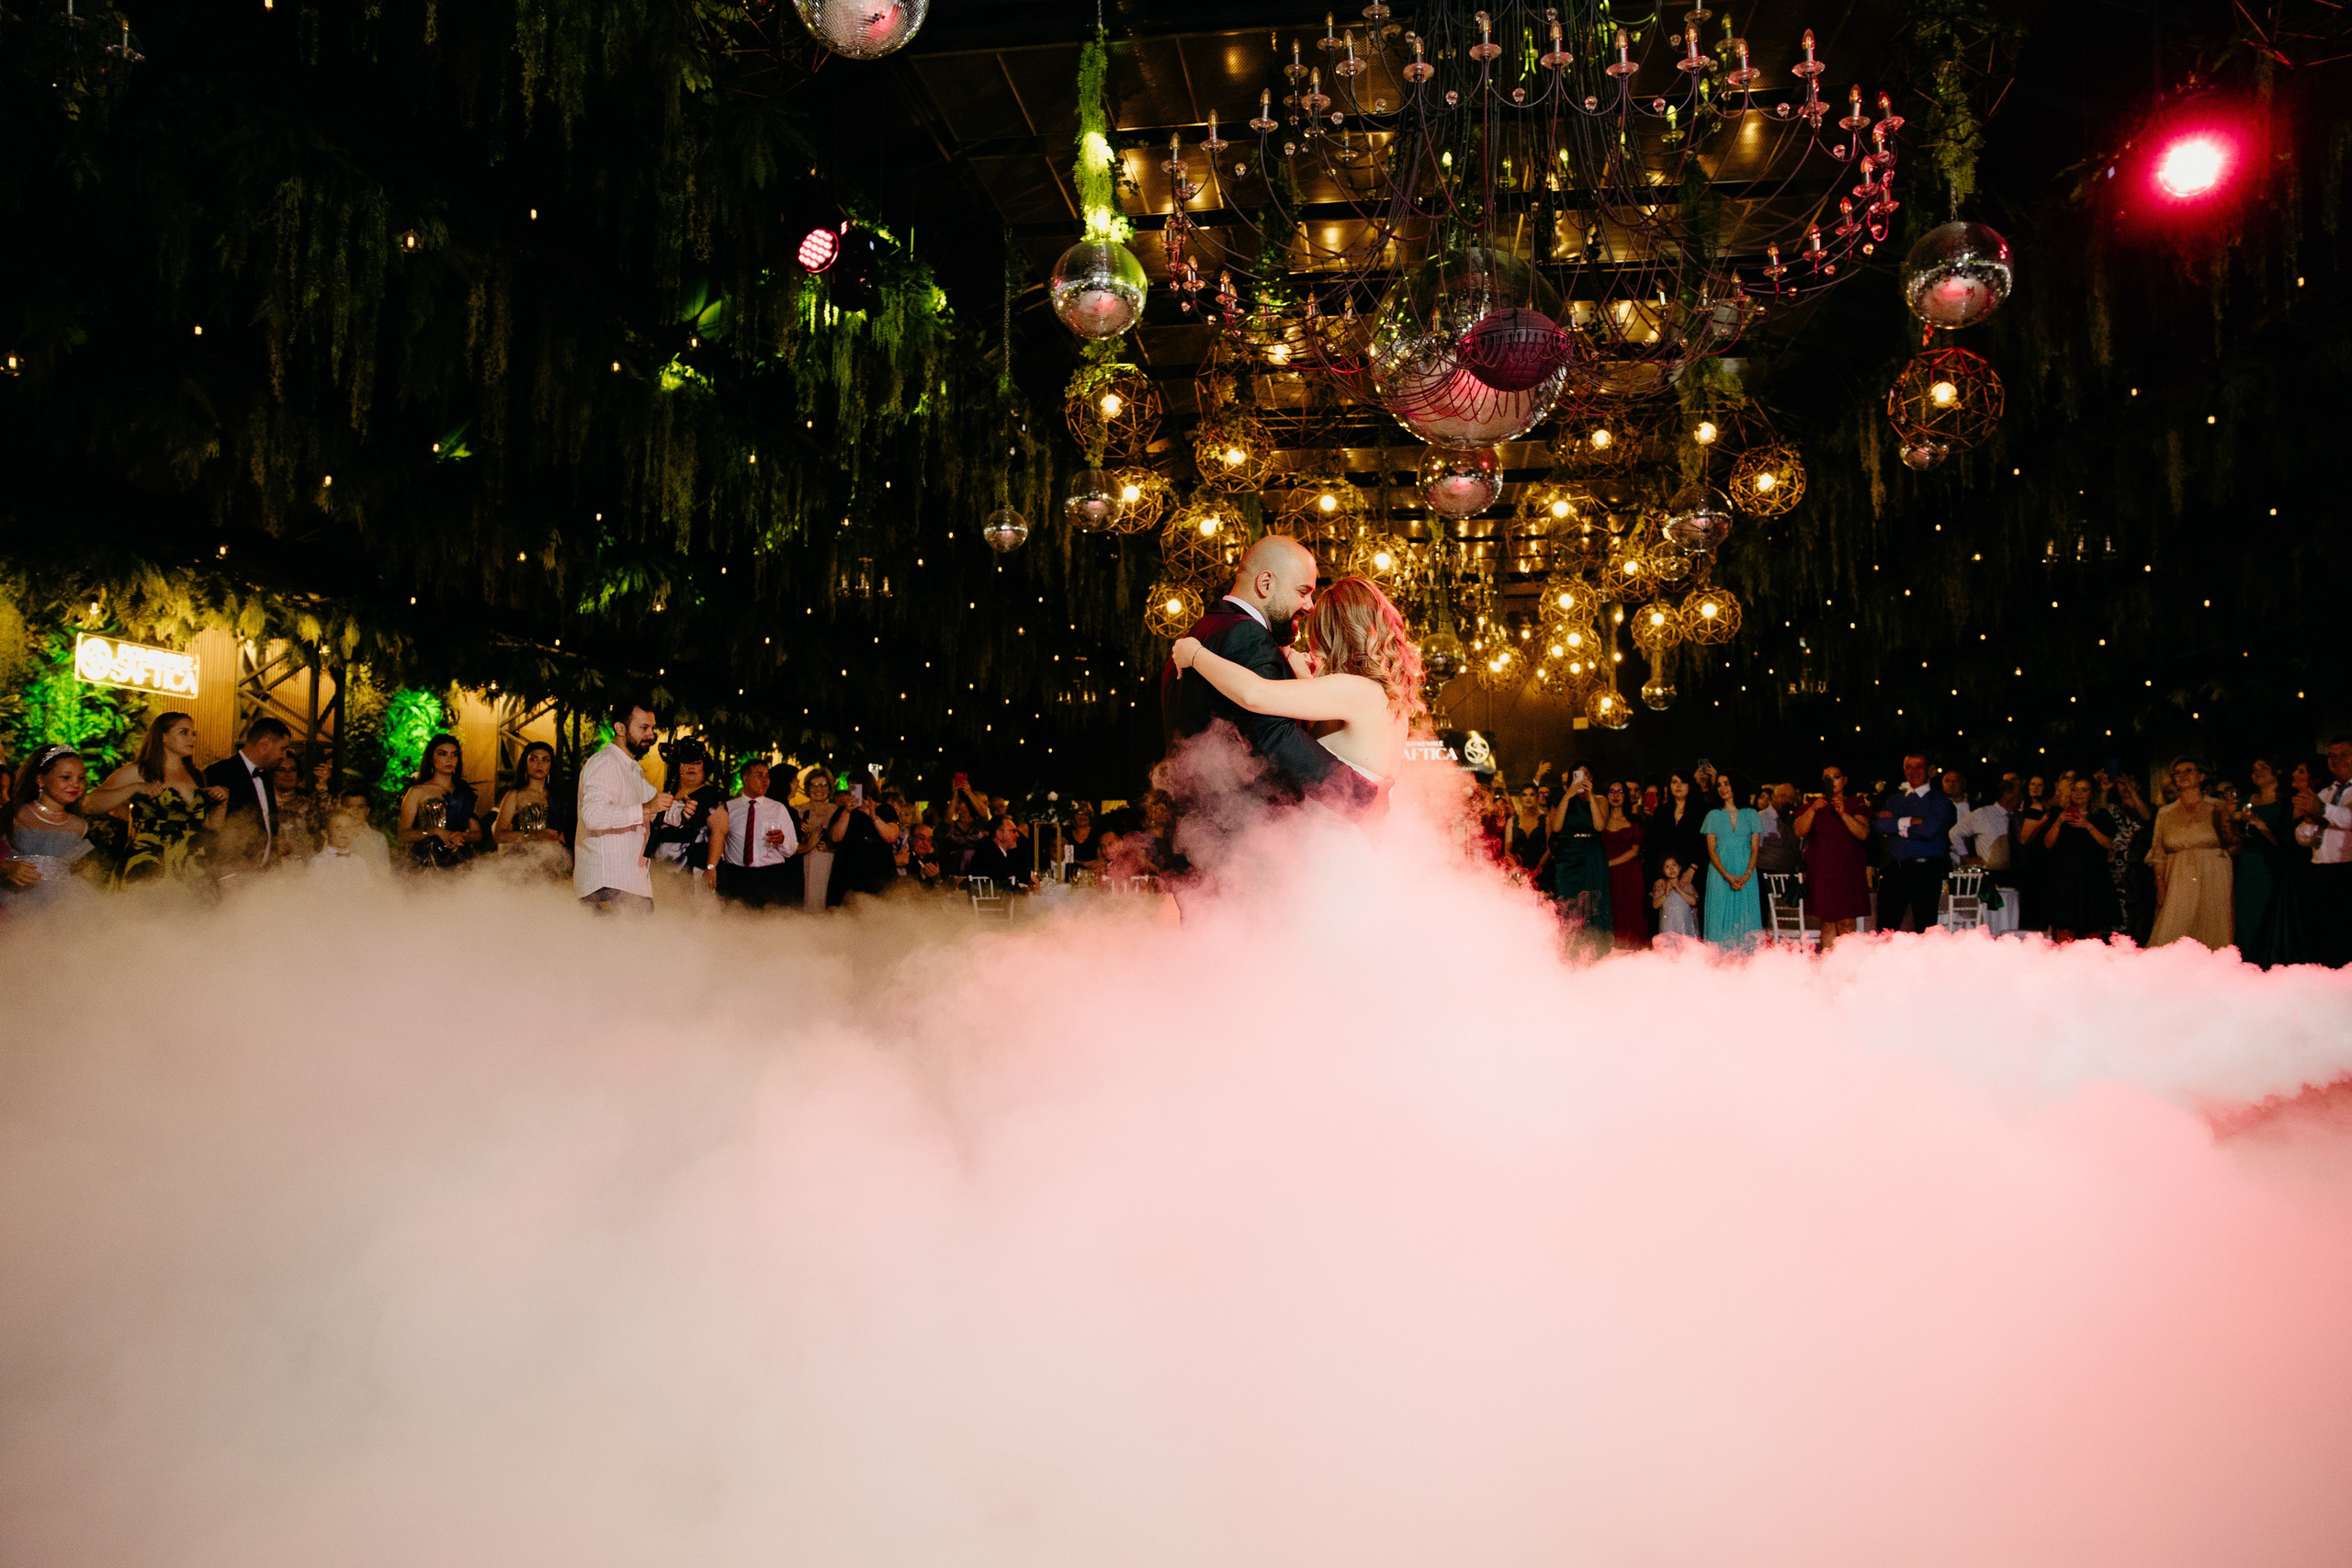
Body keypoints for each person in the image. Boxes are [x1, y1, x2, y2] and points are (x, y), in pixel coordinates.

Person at [1170, 573, 1422, 818]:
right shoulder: (1385, 698)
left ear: (1332, 633)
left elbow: (1254, 694)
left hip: (1331, 842)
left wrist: (1195, 654)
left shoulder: (1354, 690)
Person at [1161, 534, 1340, 801]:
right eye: (1303, 592)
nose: (1309, 606)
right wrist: (1357, 796)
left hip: (1204, 830)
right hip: (1243, 832)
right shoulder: (1246, 634)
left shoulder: (1201, 632)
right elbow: (1274, 735)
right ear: (1266, 583)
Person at [85, 711, 229, 883]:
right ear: (163, 737)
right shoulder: (140, 771)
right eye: (184, 732)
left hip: (189, 867)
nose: (191, 738)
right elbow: (90, 804)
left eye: (193, 734)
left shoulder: (196, 776)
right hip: (149, 864)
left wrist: (221, 802)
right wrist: (134, 788)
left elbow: (212, 825)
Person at [574, 697, 672, 910]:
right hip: (608, 883)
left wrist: (685, 811)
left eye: (652, 728)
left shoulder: (632, 769)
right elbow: (593, 816)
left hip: (628, 884)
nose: (651, 735)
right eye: (643, 728)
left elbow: (658, 808)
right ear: (620, 728)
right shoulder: (606, 763)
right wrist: (646, 809)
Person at [2146, 757, 2238, 951]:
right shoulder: (2165, 813)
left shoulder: (2217, 806)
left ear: (2201, 776)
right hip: (2178, 875)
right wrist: (2160, 885)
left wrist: (2228, 817)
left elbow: (2233, 844)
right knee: (2172, 928)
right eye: (2177, 773)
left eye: (2188, 771)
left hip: (2213, 872)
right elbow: (2159, 853)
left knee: (2212, 927)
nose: (2182, 776)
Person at [2, 744, 96, 912]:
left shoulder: (78, 826)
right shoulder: (16, 815)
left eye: (81, 778)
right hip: (16, 900)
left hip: (60, 905)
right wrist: (7, 868)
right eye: (66, 777)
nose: (75, 784)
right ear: (40, 779)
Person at [1873, 752, 1957, 934]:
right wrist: (1910, 821)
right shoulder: (1895, 800)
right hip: (1895, 870)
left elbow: (1929, 831)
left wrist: (1895, 825)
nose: (1914, 771)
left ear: (1929, 771)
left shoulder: (1940, 801)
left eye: (1919, 767)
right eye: (1909, 767)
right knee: (1886, 929)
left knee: (1925, 929)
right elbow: (1880, 825)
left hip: (1926, 871)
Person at [2233, 756, 2305, 967]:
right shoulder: (2244, 801)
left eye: (2264, 767)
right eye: (2254, 768)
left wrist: (2260, 824)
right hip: (2248, 864)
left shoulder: (2287, 801)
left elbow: (2285, 841)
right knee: (2246, 916)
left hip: (2273, 864)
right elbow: (2233, 837)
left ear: (2278, 772)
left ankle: (2270, 963)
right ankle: (2247, 964)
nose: (2257, 772)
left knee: (2270, 914)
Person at [202, 716, 293, 877]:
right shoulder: (219, 772)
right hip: (232, 877)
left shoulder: (265, 776)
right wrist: (227, 875)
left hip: (263, 876)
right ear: (264, 744)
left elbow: (269, 826)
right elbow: (210, 834)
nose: (284, 756)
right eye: (282, 748)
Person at [1795, 766, 1873, 950]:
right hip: (1822, 871)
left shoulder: (1856, 803)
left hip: (1848, 872)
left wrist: (1843, 813)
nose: (1832, 782)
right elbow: (1799, 830)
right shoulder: (1813, 804)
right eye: (1826, 778)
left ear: (1845, 780)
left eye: (1836, 777)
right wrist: (1813, 810)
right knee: (1827, 922)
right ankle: (1829, 968)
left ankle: (1847, 966)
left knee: (1847, 922)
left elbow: (1863, 833)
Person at [2292, 738, 2352, 967]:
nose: (2337, 760)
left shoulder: (2325, 800)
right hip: (2320, 870)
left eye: (2344, 754)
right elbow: (2303, 838)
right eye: (2332, 755)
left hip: (2347, 868)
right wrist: (2308, 822)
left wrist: (2323, 810)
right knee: (2325, 933)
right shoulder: (2325, 792)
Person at [711, 758, 800, 908]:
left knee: (768, 926)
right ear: (745, 778)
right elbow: (719, 839)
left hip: (770, 876)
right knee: (737, 923)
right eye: (759, 775)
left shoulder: (778, 809)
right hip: (737, 876)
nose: (765, 780)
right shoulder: (729, 808)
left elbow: (792, 849)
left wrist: (782, 840)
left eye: (767, 776)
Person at [2038, 777, 2117, 942]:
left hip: (2092, 878)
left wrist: (2088, 826)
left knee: (2092, 929)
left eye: (2084, 789)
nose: (2079, 794)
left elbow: (2108, 844)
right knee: (2064, 928)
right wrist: (2059, 822)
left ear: (2091, 793)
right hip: (2065, 877)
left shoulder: (2101, 815)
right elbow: (2047, 843)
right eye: (2075, 789)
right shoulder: (2058, 813)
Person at [646, 739, 725, 897]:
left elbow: (719, 831)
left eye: (696, 763)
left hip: (695, 867)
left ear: (704, 766)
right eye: (686, 762)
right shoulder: (668, 793)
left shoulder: (709, 795)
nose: (691, 767)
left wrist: (711, 867)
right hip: (663, 868)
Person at [396, 733, 481, 872]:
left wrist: (462, 836)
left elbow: (477, 834)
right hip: (425, 863)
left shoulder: (465, 792)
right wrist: (434, 831)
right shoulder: (417, 791)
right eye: (442, 754)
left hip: (459, 863)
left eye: (454, 754)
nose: (449, 759)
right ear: (431, 758)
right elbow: (403, 835)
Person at [1701, 770, 1763, 949]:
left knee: (1746, 916)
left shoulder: (1751, 814)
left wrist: (1747, 875)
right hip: (1720, 873)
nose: (1722, 788)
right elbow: (1711, 850)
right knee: (1720, 917)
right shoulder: (1713, 815)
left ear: (1736, 785)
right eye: (1719, 785)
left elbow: (1754, 849)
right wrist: (1727, 876)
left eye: (1726, 783)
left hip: (1746, 873)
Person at [491, 740, 572, 874]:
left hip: (555, 859)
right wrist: (534, 835)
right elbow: (499, 835)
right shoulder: (515, 794)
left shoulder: (558, 796)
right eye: (533, 759)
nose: (539, 764)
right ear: (525, 763)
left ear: (550, 765)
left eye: (545, 760)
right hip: (523, 860)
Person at [822, 771, 901, 904]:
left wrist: (873, 817)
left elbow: (891, 836)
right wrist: (847, 812)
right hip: (848, 869)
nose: (850, 790)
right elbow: (835, 837)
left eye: (853, 786)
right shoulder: (844, 811)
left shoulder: (885, 810)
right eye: (850, 787)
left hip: (877, 869)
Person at [1643, 771, 1707, 929]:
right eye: (1674, 782)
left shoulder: (1700, 812)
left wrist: (1693, 868)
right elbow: (1653, 847)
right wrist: (1659, 875)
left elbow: (1705, 844)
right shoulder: (1661, 812)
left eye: (1682, 782)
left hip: (1692, 874)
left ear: (1689, 786)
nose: (1678, 786)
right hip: (1666, 873)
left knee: (1690, 920)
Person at [2106, 770, 2156, 944]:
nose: (2126, 786)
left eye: (2131, 780)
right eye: (2121, 782)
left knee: (2139, 923)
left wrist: (2132, 792)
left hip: (2139, 875)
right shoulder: (2111, 809)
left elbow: (2147, 817)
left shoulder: (2149, 808)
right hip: (2114, 874)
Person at [1600, 780, 1648, 951]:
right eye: (1611, 791)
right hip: (1606, 876)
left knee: (1631, 915)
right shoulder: (1600, 821)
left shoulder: (1635, 820)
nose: (1615, 795)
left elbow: (1635, 851)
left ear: (1626, 796)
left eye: (1620, 792)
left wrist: (1607, 864)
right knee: (1610, 913)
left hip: (1629, 875)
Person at [307, 805, 386, 887]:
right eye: (338, 828)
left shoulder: (359, 861)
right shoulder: (319, 862)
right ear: (325, 833)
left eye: (348, 828)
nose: (344, 832)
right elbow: (313, 893)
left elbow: (367, 890)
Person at [796, 770, 838, 911]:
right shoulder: (798, 811)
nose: (819, 789)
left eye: (823, 784)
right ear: (808, 788)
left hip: (829, 863)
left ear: (829, 787)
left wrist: (831, 847)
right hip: (805, 862)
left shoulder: (837, 811)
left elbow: (846, 842)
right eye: (814, 785)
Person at [963, 814, 1032, 889]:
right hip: (986, 900)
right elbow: (1004, 870)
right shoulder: (987, 850)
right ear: (999, 834)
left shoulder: (998, 851)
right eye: (1013, 831)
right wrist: (1029, 874)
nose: (1018, 835)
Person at [1652, 854, 1699, 940]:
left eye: (1674, 865)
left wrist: (1680, 890)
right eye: (1667, 867)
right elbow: (1655, 905)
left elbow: (1693, 902)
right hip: (1668, 926)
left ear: (1680, 868)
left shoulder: (1686, 884)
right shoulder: (1662, 885)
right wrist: (1666, 894)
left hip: (1684, 924)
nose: (1671, 869)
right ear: (1663, 871)